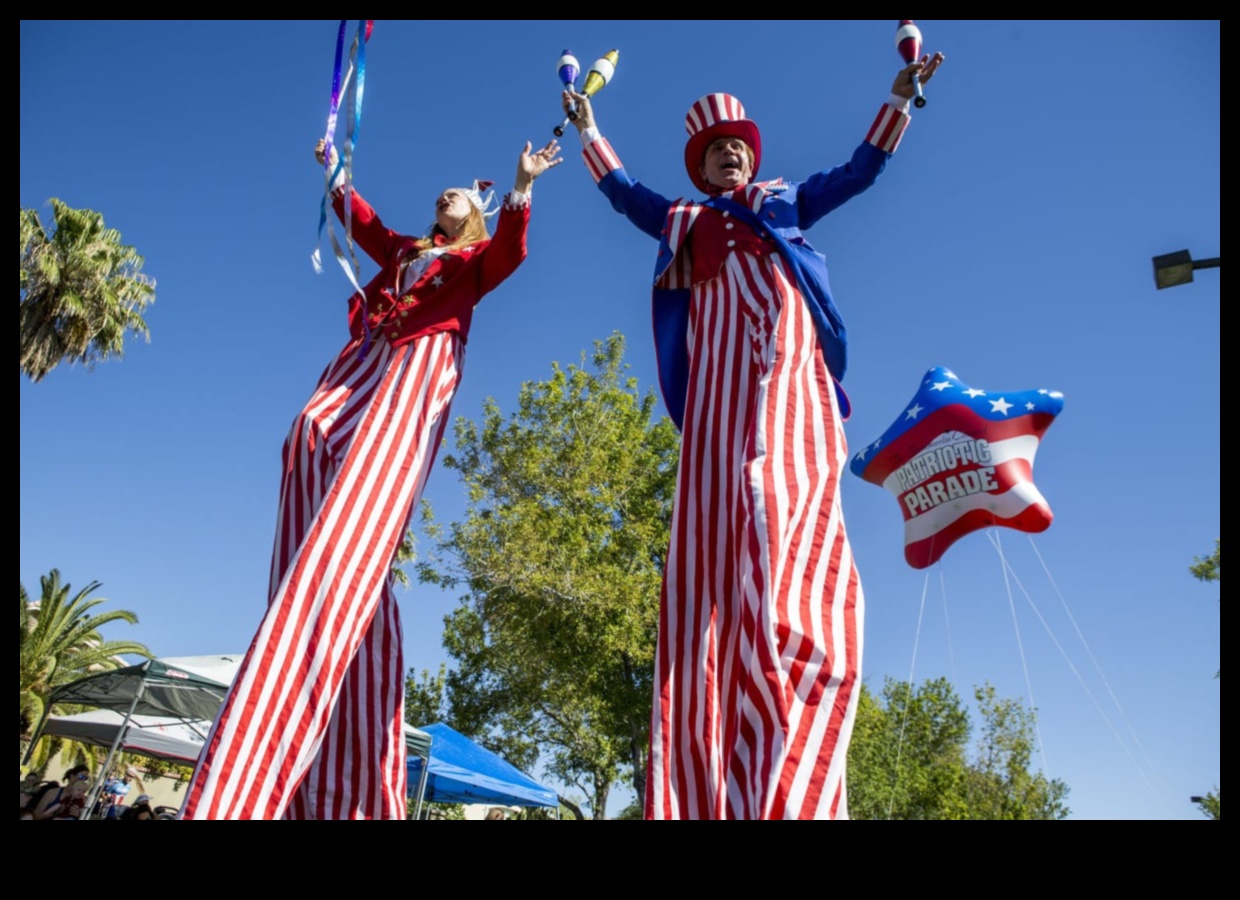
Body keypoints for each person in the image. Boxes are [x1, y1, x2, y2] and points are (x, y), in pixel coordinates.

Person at [562, 50, 944, 820]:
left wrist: (898, 101)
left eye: (738, 144)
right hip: (717, 389)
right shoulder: (686, 221)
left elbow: (858, 172)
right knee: (720, 512)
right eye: (716, 149)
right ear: (701, 169)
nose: (730, 152)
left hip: (785, 361)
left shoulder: (782, 202)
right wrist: (590, 131)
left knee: (771, 487)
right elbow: (624, 195)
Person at [181, 135, 563, 820]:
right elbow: (365, 223)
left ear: (473, 212)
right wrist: (334, 169)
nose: (444, 195)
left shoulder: (472, 260)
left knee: (364, 498)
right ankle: (340, 548)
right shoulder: (406, 254)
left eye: (459, 193)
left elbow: (511, 252)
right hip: (368, 355)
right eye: (442, 192)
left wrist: (521, 188)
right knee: (305, 434)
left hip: (420, 366)